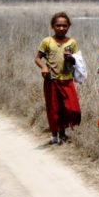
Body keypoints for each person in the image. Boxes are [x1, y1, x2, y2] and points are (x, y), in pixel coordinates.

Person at [34, 12, 82, 144]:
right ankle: (56, 135)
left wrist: (71, 58)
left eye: (64, 26)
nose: (61, 28)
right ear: (53, 26)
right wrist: (43, 67)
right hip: (51, 80)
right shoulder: (47, 41)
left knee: (73, 109)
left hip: (67, 80)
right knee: (54, 108)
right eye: (58, 25)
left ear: (68, 26)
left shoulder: (72, 42)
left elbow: (77, 61)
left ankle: (63, 131)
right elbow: (37, 58)